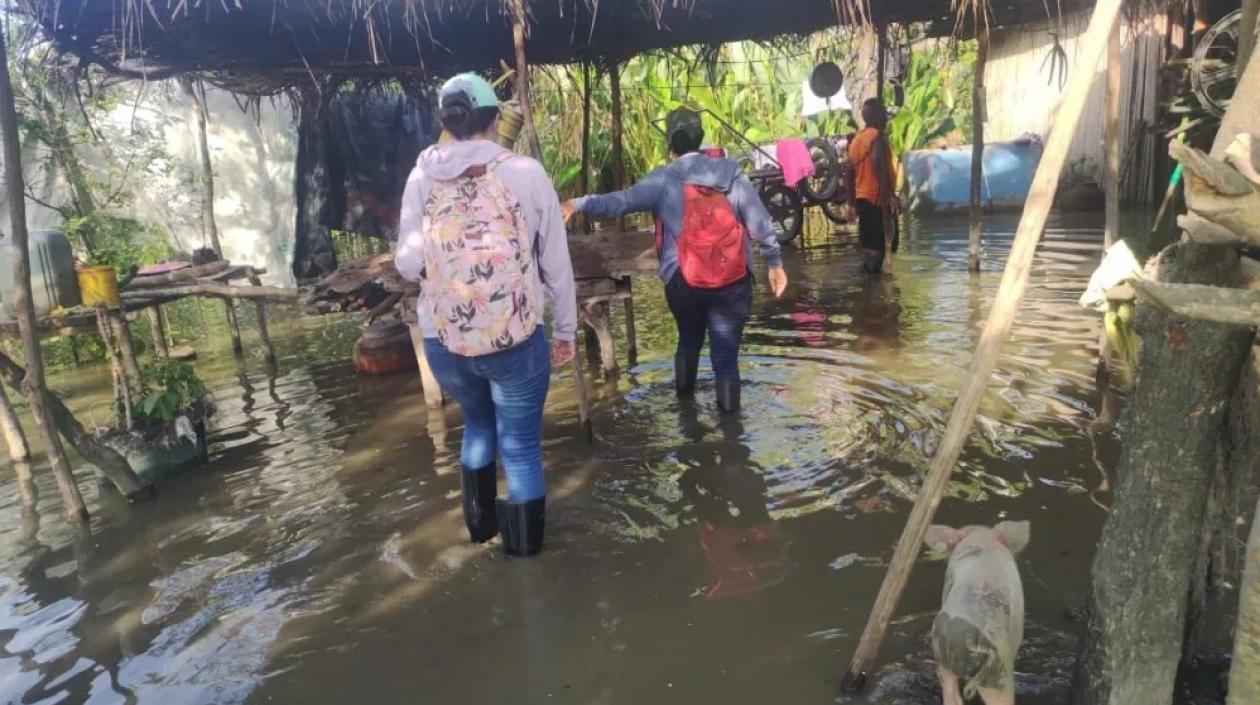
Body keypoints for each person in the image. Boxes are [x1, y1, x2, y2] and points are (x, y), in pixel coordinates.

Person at [396, 73, 577, 557]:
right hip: (514, 337)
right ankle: (525, 565)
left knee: (477, 427)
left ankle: (479, 536)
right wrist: (565, 331)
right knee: (519, 448)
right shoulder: (526, 173)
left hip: (445, 342)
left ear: (445, 123)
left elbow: (407, 263)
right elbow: (556, 265)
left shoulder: (420, 178)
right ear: (497, 120)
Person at [562, 108, 788, 414]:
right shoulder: (731, 172)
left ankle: (685, 411)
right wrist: (774, 263)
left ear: (671, 144)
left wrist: (579, 203)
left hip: (684, 283)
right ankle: (732, 437)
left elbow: (620, 202)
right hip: (733, 282)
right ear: (701, 138)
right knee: (726, 357)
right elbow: (760, 223)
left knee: (689, 340)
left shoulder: (663, 179)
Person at [846, 98, 900, 275]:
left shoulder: (856, 141)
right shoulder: (877, 139)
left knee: (870, 248)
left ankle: (867, 291)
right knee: (881, 249)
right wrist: (890, 196)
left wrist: (851, 203)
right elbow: (878, 166)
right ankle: (872, 287)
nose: (886, 120)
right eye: (884, 116)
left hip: (863, 200)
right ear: (878, 118)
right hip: (877, 199)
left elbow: (849, 172)